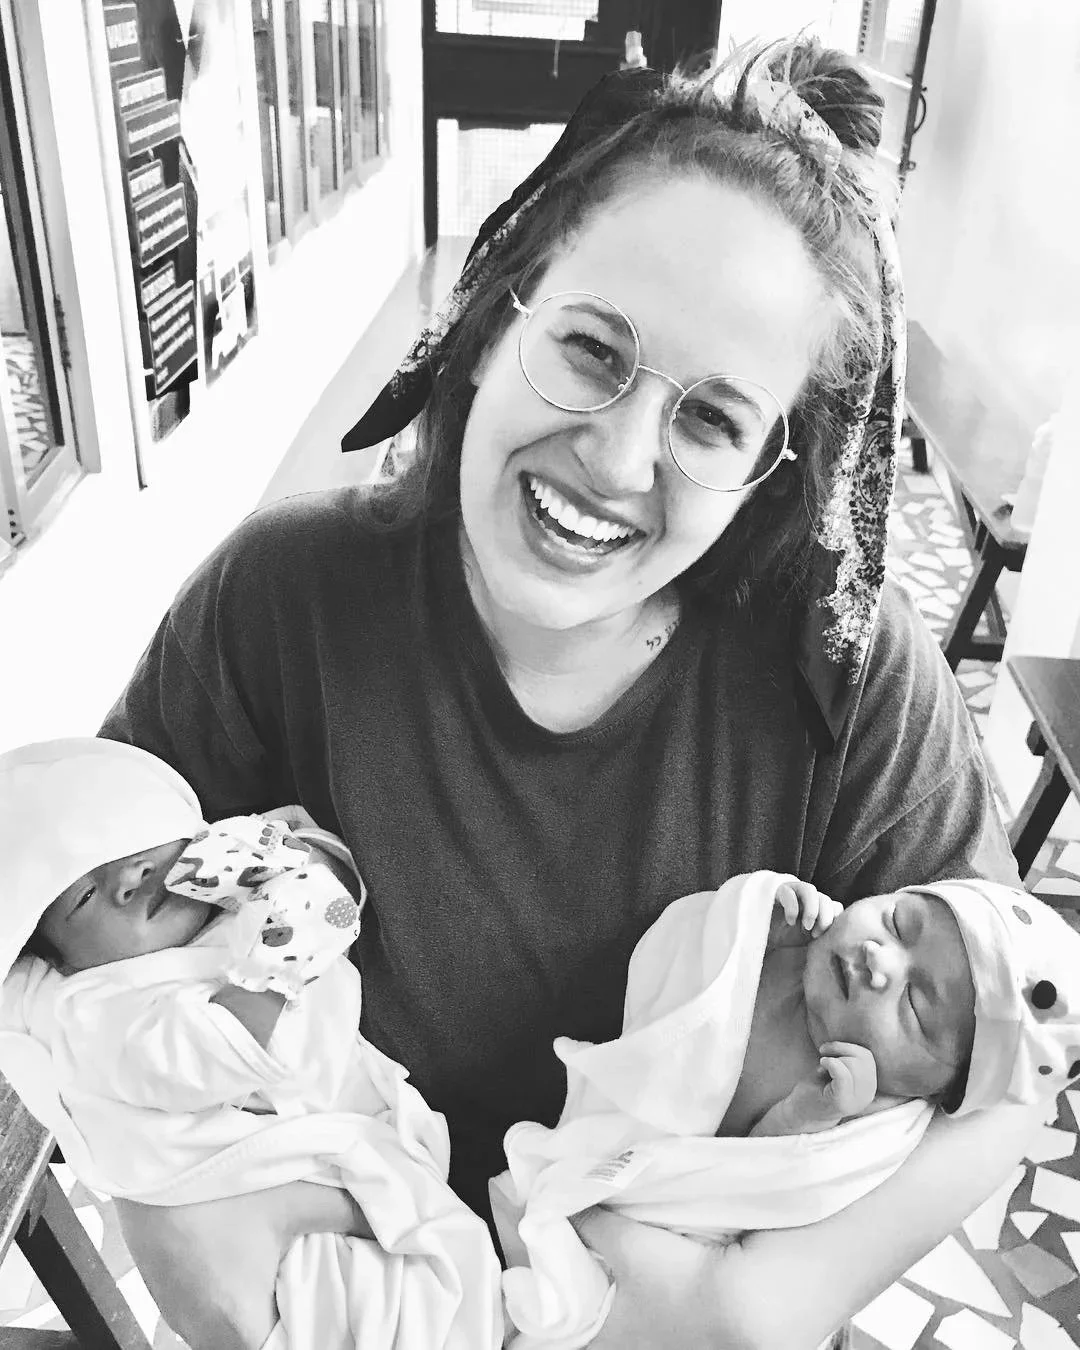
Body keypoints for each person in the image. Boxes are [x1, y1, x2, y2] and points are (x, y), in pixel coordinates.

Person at [95, 33, 1041, 1350]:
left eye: (712, 419)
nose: (616, 454)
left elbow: (1014, 1071)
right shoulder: (281, 603)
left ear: (778, 467)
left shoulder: (854, 688)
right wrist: (176, 1211)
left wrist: (750, 1306)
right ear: (499, 312)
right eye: (594, 349)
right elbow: (87, 917)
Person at [0, 737, 503, 1350]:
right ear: (62, 960)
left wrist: (297, 865)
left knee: (455, 1277)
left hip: (353, 1148)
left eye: (135, 842)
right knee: (383, 1307)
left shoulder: (232, 887)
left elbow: (324, 863)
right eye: (83, 897)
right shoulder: (94, 1010)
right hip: (272, 1203)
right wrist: (283, 955)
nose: (128, 880)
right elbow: (209, 1053)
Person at [492, 871, 1080, 1346]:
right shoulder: (792, 942)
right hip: (595, 1154)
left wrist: (809, 1113)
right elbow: (689, 955)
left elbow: (753, 1178)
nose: (881, 960)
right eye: (900, 921)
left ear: (939, 1092)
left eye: (917, 1007)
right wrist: (751, 922)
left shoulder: (868, 1126)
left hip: (653, 1243)